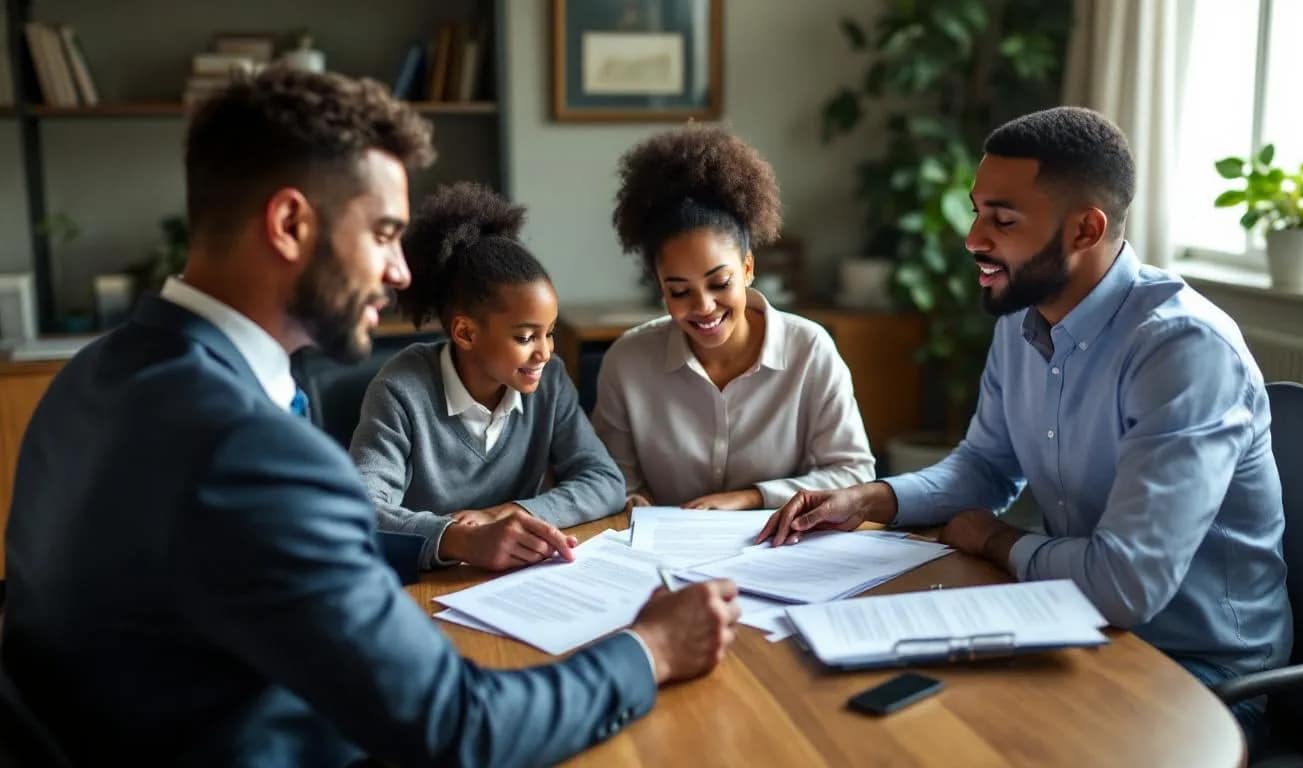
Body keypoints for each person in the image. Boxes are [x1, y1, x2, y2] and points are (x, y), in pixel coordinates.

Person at [2, 68, 740, 767]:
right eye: (385, 233)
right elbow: (461, 728)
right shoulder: (250, 449)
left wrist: (454, 539)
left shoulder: (88, 379)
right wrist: (651, 648)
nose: (402, 272)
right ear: (290, 223)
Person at [756, 107, 1289, 743]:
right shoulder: (1023, 319)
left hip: (1199, 674)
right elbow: (986, 464)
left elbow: (1126, 586)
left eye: (1002, 220)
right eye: (977, 209)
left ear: (1085, 229)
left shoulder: (1181, 350)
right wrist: (875, 499)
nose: (972, 238)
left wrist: (994, 541)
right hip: (1072, 627)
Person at [592, 124, 876, 512]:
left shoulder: (809, 350)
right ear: (660, 286)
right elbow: (612, 481)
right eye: (679, 291)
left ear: (747, 268)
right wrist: (630, 502)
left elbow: (855, 474)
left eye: (719, 282)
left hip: (783, 553)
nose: (704, 306)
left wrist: (751, 498)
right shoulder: (627, 363)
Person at [350, 182, 625, 571]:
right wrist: (461, 539)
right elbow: (363, 511)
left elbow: (605, 481)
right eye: (526, 337)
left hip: (513, 579)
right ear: (465, 333)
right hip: (426, 584)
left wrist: (505, 514)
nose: (545, 352)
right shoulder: (400, 390)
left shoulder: (549, 380)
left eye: (550, 333)